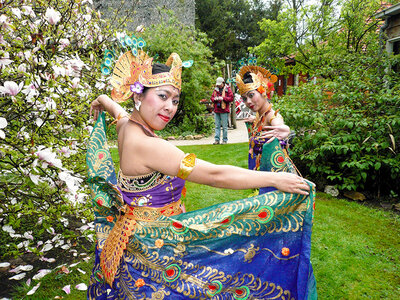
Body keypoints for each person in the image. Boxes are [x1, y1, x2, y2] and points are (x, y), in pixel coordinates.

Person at [86, 48, 316, 299]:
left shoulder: (127, 127)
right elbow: (215, 174)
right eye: (162, 96)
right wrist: (275, 179)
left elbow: (118, 112)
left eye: (174, 100)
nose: (170, 107)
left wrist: (103, 99)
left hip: (133, 236)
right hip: (153, 246)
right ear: (138, 95)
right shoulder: (147, 145)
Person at [210, 77, 234, 144]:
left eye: (220, 84)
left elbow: (231, 98)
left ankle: (224, 140)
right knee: (217, 126)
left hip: (224, 110)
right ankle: (216, 140)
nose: (218, 85)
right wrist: (215, 99)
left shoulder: (228, 89)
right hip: (216, 110)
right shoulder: (215, 90)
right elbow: (211, 98)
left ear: (223, 83)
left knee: (224, 127)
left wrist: (223, 98)